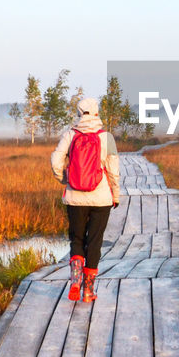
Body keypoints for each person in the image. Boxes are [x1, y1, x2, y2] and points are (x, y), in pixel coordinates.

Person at [50, 97, 121, 301]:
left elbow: (56, 160)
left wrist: (64, 178)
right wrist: (115, 194)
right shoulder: (106, 137)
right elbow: (113, 171)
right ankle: (88, 291)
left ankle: (75, 280)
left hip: (74, 198)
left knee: (77, 239)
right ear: (97, 112)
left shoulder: (70, 135)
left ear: (79, 112)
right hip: (101, 199)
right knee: (95, 242)